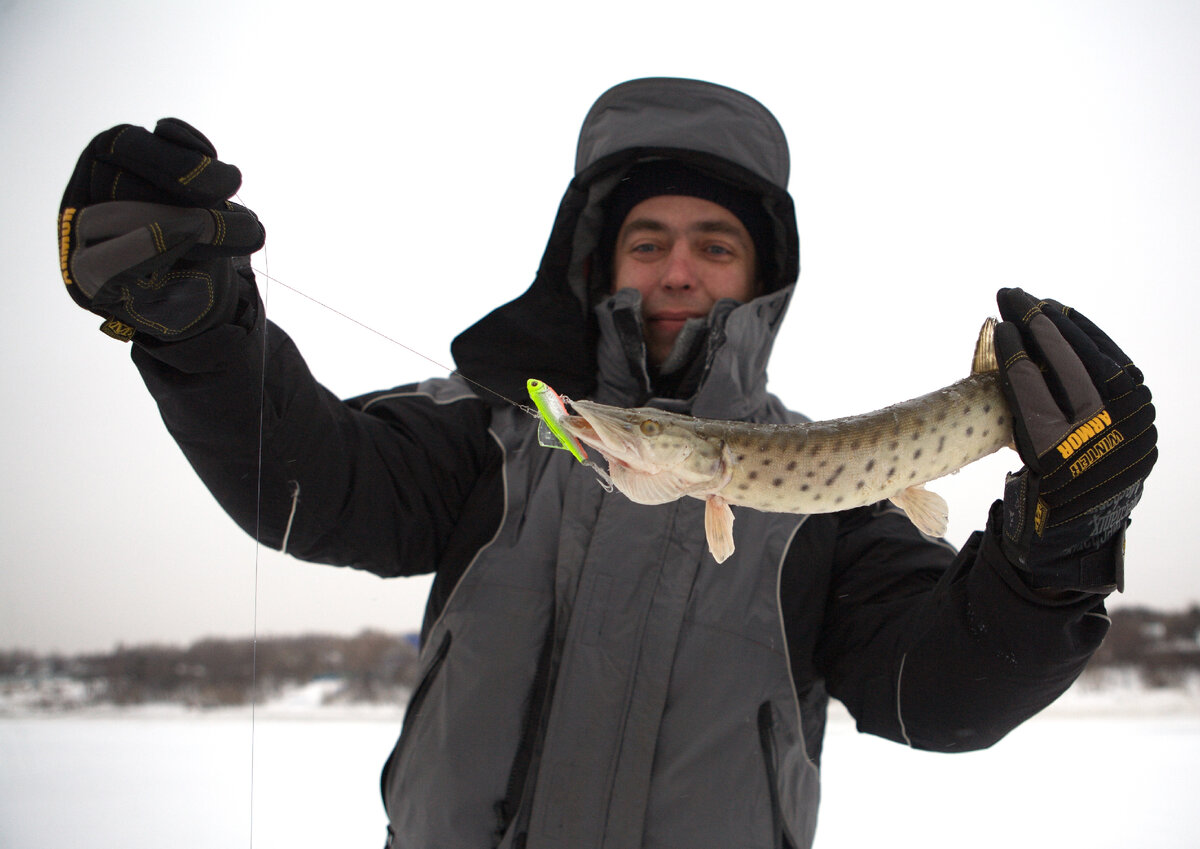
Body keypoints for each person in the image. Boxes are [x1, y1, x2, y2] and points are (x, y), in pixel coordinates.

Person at [58, 78, 1157, 848]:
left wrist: (1062, 549)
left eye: (715, 243)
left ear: (760, 278)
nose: (679, 267)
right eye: (647, 239)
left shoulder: (837, 519)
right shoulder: (486, 433)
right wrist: (198, 329)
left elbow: (944, 696)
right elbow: (310, 482)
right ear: (597, 261)